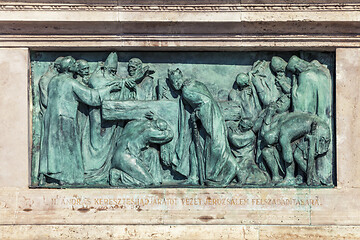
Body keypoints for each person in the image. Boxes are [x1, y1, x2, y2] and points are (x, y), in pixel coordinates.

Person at [39, 56, 121, 185]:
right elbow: (91, 97)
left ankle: (52, 175)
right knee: (67, 148)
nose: (76, 66)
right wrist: (109, 88)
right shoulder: (70, 82)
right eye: (73, 64)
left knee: (53, 147)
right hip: (64, 119)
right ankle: (67, 178)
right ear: (70, 68)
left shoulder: (54, 80)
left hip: (52, 118)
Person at [168, 68, 243, 187]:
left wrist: (197, 114)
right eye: (173, 82)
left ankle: (233, 171)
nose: (176, 84)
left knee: (217, 147)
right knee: (194, 147)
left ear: (181, 77)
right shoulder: (192, 84)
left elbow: (205, 103)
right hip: (209, 118)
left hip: (211, 118)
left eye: (177, 80)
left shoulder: (187, 90)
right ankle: (193, 176)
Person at [261, 112, 331, 186]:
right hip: (320, 127)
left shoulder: (283, 136)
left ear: (275, 137)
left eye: (274, 143)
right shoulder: (281, 122)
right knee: (297, 154)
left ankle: (292, 178)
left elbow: (288, 158)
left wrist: (283, 148)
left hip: (319, 133)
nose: (274, 145)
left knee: (297, 156)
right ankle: (312, 177)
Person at [110, 114, 174, 187]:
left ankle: (155, 180)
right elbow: (169, 135)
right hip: (127, 157)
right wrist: (167, 127)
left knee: (152, 151)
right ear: (157, 128)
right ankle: (119, 175)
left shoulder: (132, 123)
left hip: (118, 154)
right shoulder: (150, 132)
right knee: (148, 182)